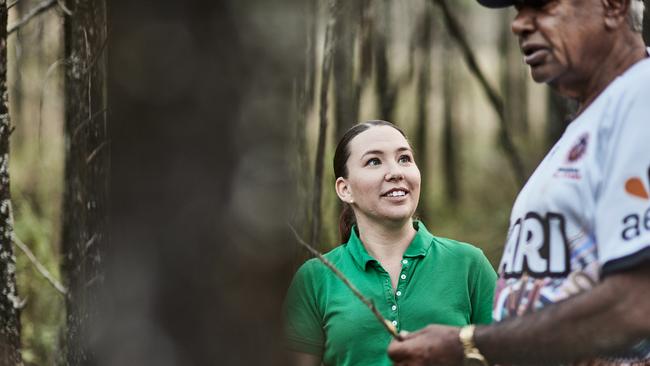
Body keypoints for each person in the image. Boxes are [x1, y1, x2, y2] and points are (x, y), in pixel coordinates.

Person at [387, 0, 650, 365]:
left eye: (542, 5)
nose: (519, 24)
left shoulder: (641, 96)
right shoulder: (595, 117)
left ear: (613, 6)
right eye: (518, 10)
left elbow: (637, 303)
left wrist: (468, 344)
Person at [284, 120, 497, 366]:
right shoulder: (315, 278)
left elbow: (508, 357)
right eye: (374, 161)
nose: (396, 172)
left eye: (404, 159)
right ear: (345, 189)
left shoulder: (468, 263)